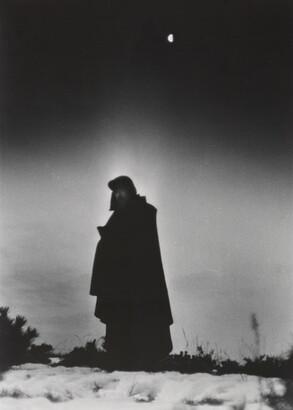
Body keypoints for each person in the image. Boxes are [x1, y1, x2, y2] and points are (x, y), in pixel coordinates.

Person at [89, 176, 173, 370]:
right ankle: (121, 357)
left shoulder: (145, 211)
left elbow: (137, 242)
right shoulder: (119, 215)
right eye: (114, 192)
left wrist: (112, 239)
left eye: (120, 190)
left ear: (130, 190)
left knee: (141, 317)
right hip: (119, 281)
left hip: (140, 280)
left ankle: (141, 359)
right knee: (120, 318)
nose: (117, 195)